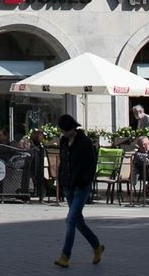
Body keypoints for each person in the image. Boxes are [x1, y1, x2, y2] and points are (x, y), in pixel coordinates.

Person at [54, 114, 102, 269]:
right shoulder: (63, 141)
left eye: (66, 130)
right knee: (78, 222)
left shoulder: (85, 142)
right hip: (68, 185)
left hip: (81, 187)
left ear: (73, 128)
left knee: (70, 220)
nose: (64, 133)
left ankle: (65, 256)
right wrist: (61, 180)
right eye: (63, 131)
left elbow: (92, 164)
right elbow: (63, 162)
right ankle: (96, 246)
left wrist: (84, 180)